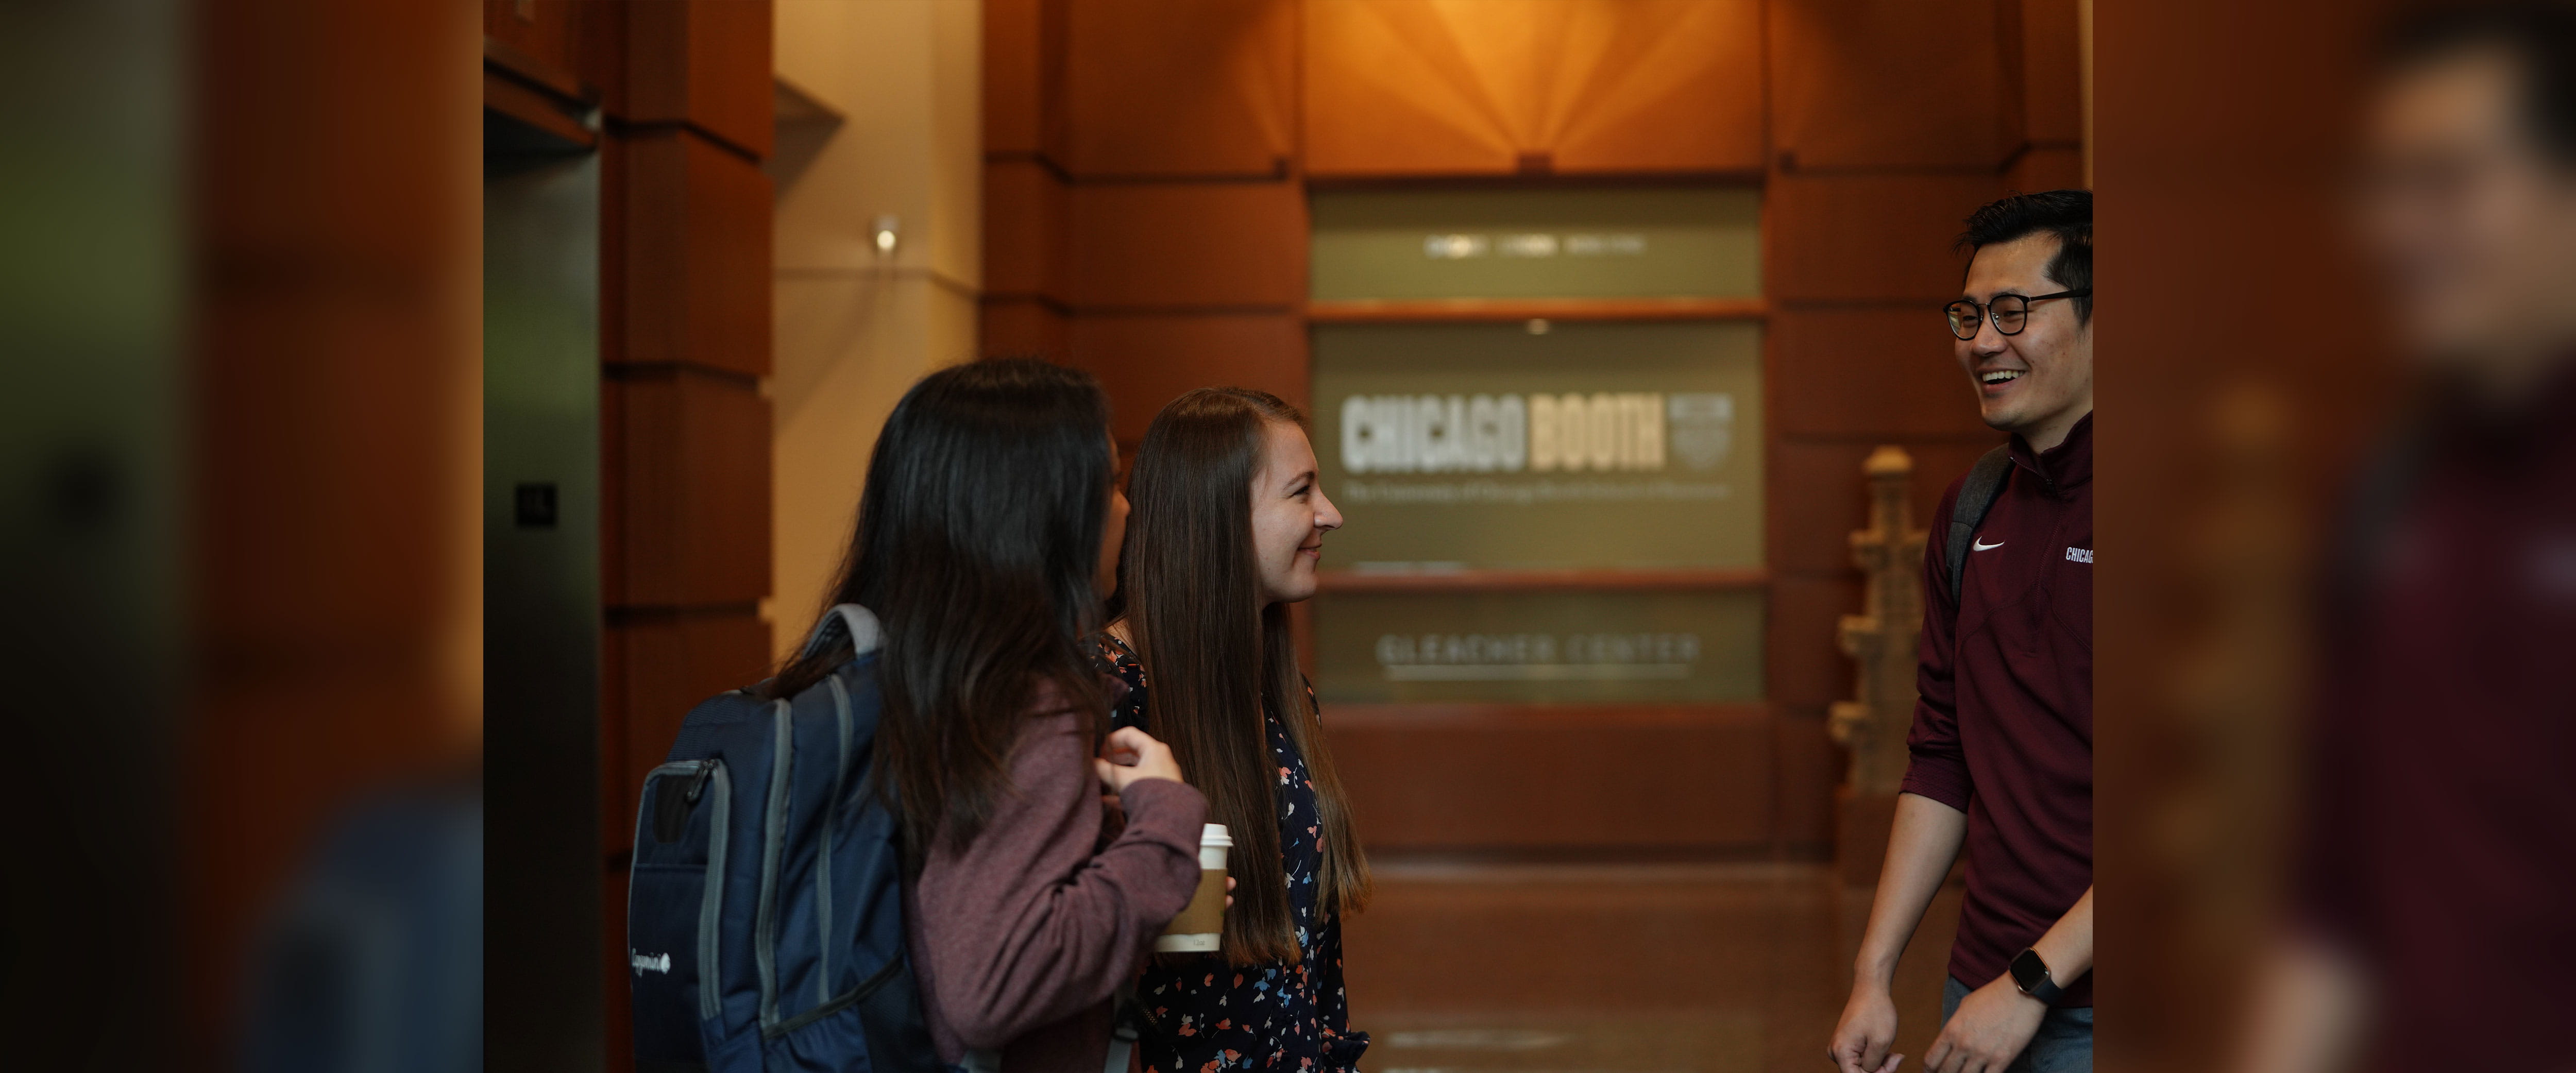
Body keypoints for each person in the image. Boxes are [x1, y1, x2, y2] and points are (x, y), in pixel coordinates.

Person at [2236, 7, 2576, 1072]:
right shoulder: (2389, 489)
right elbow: (2338, 895)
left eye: (2444, 180)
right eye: (2381, 186)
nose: (2394, 230)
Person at [768, 359, 1209, 1072]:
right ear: (1044, 517)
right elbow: (991, 984)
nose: (1126, 507)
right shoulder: (1027, 704)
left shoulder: (883, 674)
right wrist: (1164, 825)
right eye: (1106, 484)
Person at [1828, 191, 2096, 1073]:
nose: (1983, 341)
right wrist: (1874, 974)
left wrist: (2029, 989)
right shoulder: (1970, 507)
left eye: (2015, 311)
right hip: (1980, 991)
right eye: (1970, 314)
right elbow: (1941, 756)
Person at [1097, 387, 1374, 1073]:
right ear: (1216, 517)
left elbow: (1312, 965)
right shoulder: (1107, 691)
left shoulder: (1277, 685)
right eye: (1301, 491)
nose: (1330, 514)